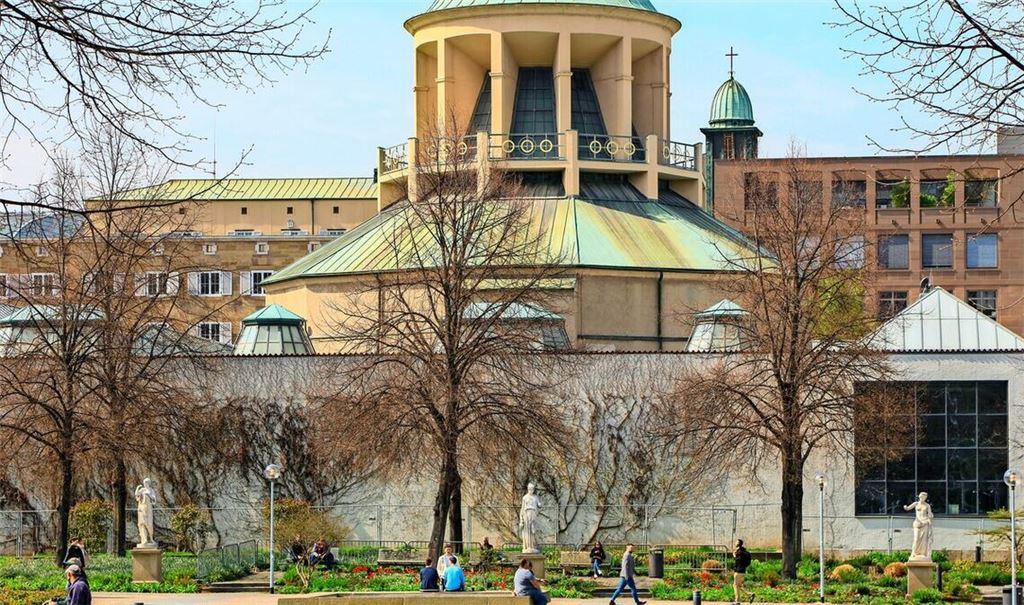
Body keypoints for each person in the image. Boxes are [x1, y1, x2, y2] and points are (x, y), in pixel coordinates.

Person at [733, 539, 754, 604]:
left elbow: (738, 561)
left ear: (738, 544)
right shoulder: (745, 552)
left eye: (736, 542)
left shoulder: (739, 552)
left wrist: (734, 555)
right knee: (738, 586)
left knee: (735, 585)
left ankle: (737, 601)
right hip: (743, 571)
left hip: (738, 571)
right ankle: (750, 594)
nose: (735, 543)